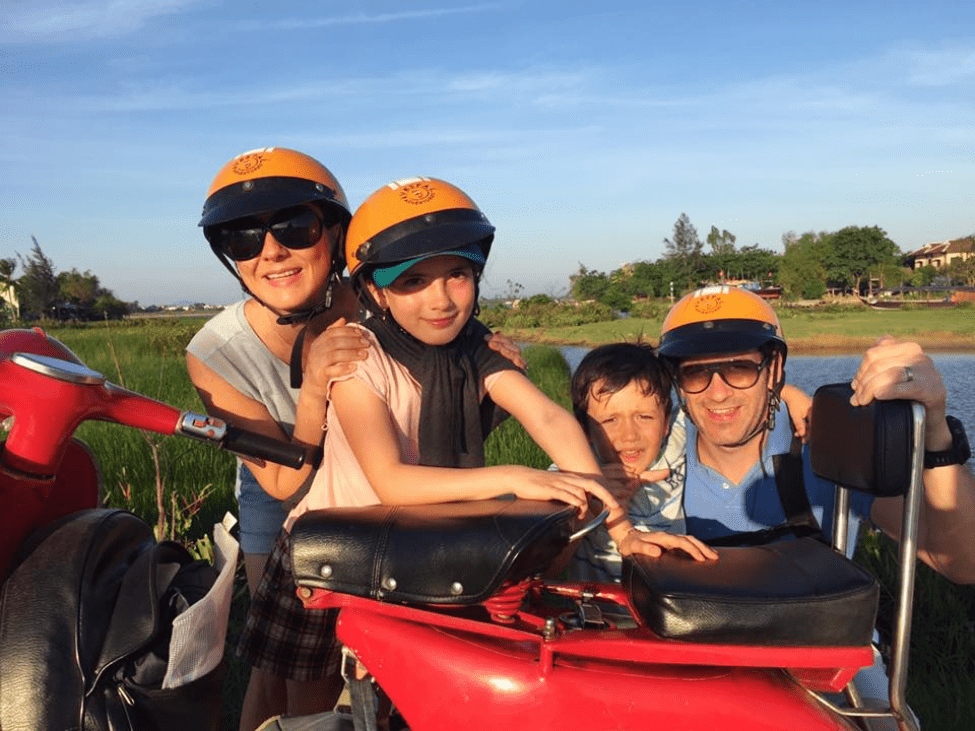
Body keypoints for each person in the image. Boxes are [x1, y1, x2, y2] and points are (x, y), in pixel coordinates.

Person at [185, 150, 523, 730]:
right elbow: (283, 479)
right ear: (228, 257)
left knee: (392, 647)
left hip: (386, 479)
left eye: (295, 229)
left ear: (336, 234)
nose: (271, 252)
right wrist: (314, 384)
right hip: (289, 493)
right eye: (244, 239)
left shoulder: (382, 292)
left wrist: (490, 379)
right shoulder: (217, 354)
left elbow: (437, 399)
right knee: (288, 666)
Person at [657, 284, 975, 716]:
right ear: (678, 383)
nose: (717, 393)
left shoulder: (830, 450)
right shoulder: (656, 456)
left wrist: (935, 433)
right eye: (696, 373)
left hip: (828, 666)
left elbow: (960, 561)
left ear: (774, 369)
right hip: (700, 667)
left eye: (739, 368)